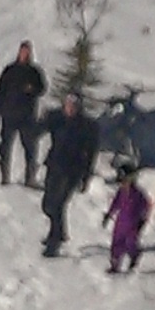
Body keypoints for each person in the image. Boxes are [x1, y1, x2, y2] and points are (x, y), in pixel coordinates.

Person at [39, 91, 98, 257]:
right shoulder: (56, 118)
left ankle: (54, 243)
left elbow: (91, 152)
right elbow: (37, 130)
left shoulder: (87, 126)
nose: (70, 109)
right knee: (47, 205)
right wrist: (40, 119)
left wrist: (86, 176)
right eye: (68, 105)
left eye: (74, 106)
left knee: (58, 204)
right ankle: (60, 232)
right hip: (54, 166)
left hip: (74, 170)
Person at [0, 39, 47, 186]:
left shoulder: (34, 72)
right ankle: (4, 177)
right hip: (9, 115)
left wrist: (32, 89)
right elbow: (0, 92)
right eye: (22, 51)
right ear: (19, 52)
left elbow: (42, 88)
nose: (24, 54)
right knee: (5, 147)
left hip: (27, 116)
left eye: (27, 51)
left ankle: (29, 178)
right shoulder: (9, 71)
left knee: (30, 148)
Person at [103, 160, 150, 274]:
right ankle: (115, 265)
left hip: (133, 224)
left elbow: (146, 206)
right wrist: (109, 215)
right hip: (120, 222)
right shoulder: (121, 192)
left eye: (125, 181)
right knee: (116, 243)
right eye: (121, 182)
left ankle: (134, 255)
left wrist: (142, 220)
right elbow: (115, 203)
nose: (123, 184)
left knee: (130, 243)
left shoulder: (138, 194)